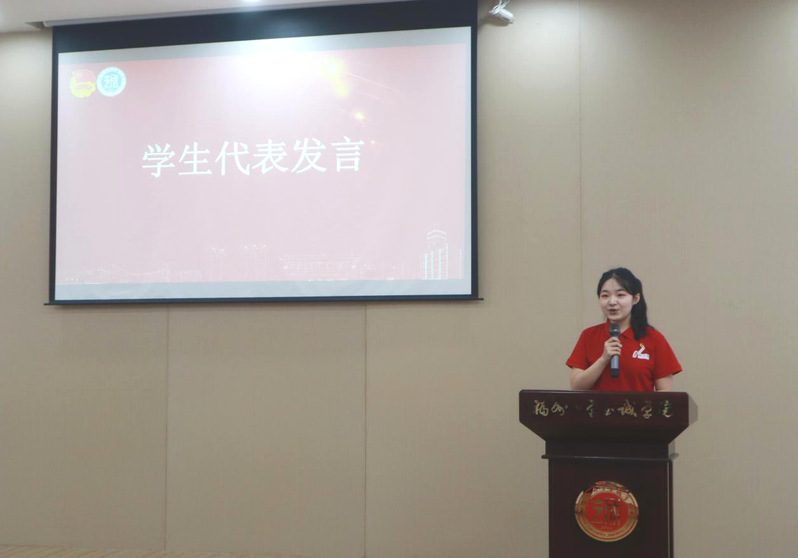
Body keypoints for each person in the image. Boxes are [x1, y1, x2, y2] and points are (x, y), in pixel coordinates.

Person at [566, 267, 681, 391]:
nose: (612, 302)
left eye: (620, 295)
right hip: (598, 405)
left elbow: (665, 393)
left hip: (638, 405)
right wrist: (603, 359)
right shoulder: (588, 336)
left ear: (635, 299)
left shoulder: (654, 338)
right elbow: (576, 387)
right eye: (605, 295)